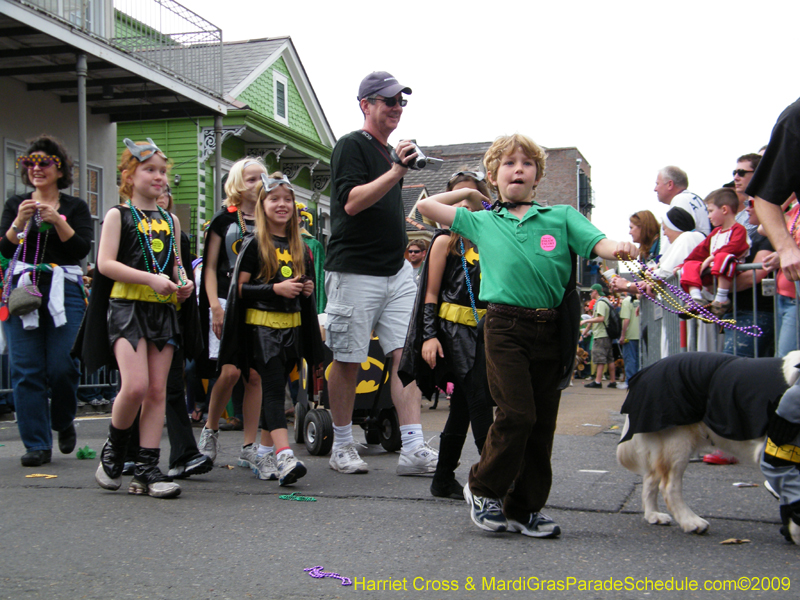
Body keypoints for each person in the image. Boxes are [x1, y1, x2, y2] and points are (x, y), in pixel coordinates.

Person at [416, 133, 637, 538]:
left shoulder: (562, 216)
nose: (518, 169)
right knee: (517, 414)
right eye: (508, 164)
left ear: (538, 175)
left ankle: (524, 508)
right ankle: (482, 487)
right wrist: (469, 193)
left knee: (542, 423)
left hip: (552, 327)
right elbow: (425, 206)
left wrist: (619, 248)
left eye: (527, 163)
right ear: (494, 176)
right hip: (503, 326)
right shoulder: (481, 221)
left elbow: (599, 243)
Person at [323, 71, 437, 475]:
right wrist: (395, 171)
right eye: (387, 100)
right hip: (354, 271)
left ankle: (412, 446)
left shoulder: (390, 153)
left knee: (405, 356)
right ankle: (340, 444)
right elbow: (351, 203)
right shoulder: (351, 145)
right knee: (349, 358)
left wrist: (397, 165)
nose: (396, 107)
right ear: (365, 105)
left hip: (396, 271)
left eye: (400, 101)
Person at [82, 138, 192, 499]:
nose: (159, 177)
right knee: (136, 386)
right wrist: (149, 279)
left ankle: (147, 468)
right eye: (150, 170)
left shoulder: (170, 220)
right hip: (127, 308)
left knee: (158, 390)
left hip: (162, 311)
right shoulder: (118, 215)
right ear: (129, 175)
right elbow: (105, 264)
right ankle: (114, 451)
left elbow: (175, 265)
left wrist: (182, 284)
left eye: (162, 171)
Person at [218, 172, 323, 486]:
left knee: (275, 395)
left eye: (287, 199)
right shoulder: (252, 244)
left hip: (292, 331)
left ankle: (264, 452)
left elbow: (305, 287)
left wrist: (304, 289)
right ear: (262, 205)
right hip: (262, 332)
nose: (282, 205)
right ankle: (284, 454)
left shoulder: (301, 247)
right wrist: (274, 290)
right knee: (275, 393)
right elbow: (240, 290)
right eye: (274, 199)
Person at [398, 170, 495, 499]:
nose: (466, 200)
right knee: (480, 403)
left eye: (473, 194)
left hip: (486, 332)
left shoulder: (491, 235)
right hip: (453, 333)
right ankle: (496, 479)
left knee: (463, 409)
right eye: (456, 195)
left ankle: (442, 478)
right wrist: (429, 336)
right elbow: (429, 294)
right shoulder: (444, 240)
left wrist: (477, 199)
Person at [0, 135, 93, 467]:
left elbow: (81, 249)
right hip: (23, 286)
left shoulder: (75, 207)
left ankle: (63, 419)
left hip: (63, 288)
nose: (35, 169)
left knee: (64, 364)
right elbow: (6, 250)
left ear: (59, 168)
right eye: (30, 163)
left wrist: (57, 221)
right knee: (26, 369)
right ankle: (36, 444)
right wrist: (19, 223)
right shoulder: (16, 204)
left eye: (43, 163)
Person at [197, 157, 273, 471]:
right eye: (252, 178)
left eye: (263, 178)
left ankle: (249, 445)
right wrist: (214, 305)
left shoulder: (272, 219)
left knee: (254, 374)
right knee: (228, 372)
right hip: (227, 302)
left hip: (260, 301)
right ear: (238, 183)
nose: (259, 184)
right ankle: (211, 429)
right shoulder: (223, 220)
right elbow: (210, 267)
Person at [749, 97, 800, 543]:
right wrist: (785, 244)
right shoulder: (798, 116)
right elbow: (765, 195)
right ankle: (787, 481)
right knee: (797, 393)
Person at [679, 188, 751, 317]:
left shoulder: (739, 229)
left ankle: (721, 298)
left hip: (731, 269)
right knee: (689, 265)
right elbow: (699, 252)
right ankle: (696, 299)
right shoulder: (715, 233)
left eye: (711, 211)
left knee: (722, 257)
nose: (708, 216)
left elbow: (736, 246)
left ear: (724, 210)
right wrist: (683, 265)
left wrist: (712, 257)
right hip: (713, 272)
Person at [722, 198, 774, 358]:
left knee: (733, 367)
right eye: (746, 204)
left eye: (751, 204)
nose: (747, 209)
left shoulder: (771, 236)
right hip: (741, 312)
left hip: (755, 314)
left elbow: (756, 274)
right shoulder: (754, 235)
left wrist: (722, 288)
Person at [654, 165, 711, 252]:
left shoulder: (680, 200)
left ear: (670, 184)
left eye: (657, 184)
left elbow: (676, 242)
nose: (655, 189)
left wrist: (661, 263)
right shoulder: (694, 199)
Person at [581, 284, 617, 389]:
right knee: (609, 358)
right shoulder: (605, 301)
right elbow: (595, 318)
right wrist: (585, 331)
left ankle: (597, 381)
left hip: (601, 335)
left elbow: (600, 318)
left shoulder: (600, 303)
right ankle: (613, 381)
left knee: (600, 359)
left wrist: (586, 320)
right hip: (606, 335)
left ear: (595, 291)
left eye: (591, 291)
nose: (590, 294)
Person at [733, 153, 761, 239]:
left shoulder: (774, 206)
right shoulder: (739, 217)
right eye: (734, 173)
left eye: (741, 173)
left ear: (758, 174)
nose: (735, 178)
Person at [616, 287, 640, 390]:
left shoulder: (627, 301)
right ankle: (638, 382)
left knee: (630, 360)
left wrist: (622, 335)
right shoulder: (642, 300)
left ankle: (630, 382)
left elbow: (626, 319)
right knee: (639, 360)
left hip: (630, 335)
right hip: (642, 334)